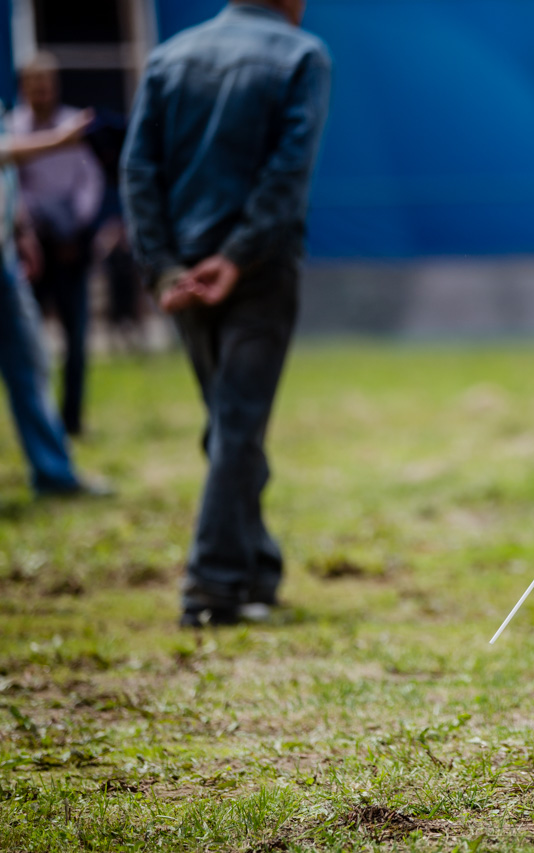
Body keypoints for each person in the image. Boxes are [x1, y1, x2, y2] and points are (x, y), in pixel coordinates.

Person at [120, 0, 331, 628]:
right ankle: (210, 587)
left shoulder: (168, 56)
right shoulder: (302, 56)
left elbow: (138, 170)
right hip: (258, 272)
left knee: (227, 425)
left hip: (183, 274)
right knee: (236, 426)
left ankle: (254, 567)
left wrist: (160, 266)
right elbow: (288, 171)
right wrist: (237, 257)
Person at [1, 103, 107, 499]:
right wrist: (60, 140)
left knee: (30, 362)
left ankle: (53, 473)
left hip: (5, 257)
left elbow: (7, 177)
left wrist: (18, 227)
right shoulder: (31, 127)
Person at [10, 53, 105, 437]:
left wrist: (74, 227)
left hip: (73, 245)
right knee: (28, 340)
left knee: (76, 337)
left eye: (47, 83)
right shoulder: (12, 128)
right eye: (34, 84)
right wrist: (38, 226)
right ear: (24, 87)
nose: (41, 91)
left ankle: (72, 421)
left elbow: (91, 180)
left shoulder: (75, 125)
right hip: (33, 245)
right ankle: (40, 421)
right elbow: (14, 186)